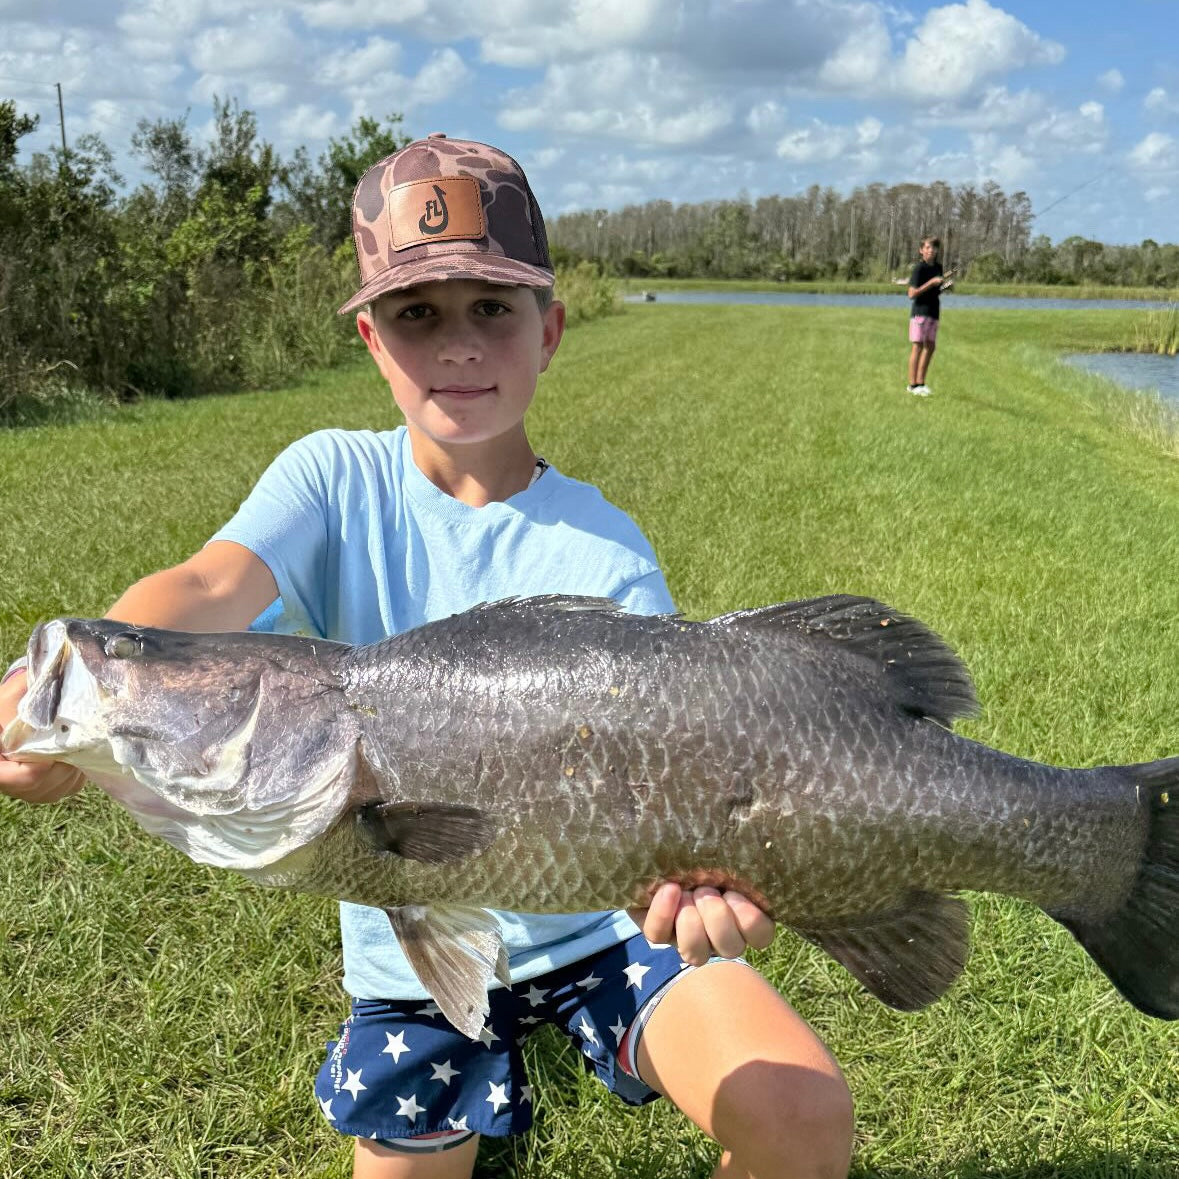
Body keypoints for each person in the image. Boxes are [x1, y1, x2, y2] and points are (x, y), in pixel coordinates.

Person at [0, 134, 854, 1179]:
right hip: (411, 961)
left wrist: (711, 891)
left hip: (603, 928)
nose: (458, 346)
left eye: (492, 309)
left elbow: (678, 762)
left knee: (803, 1118)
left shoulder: (605, 548)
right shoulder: (331, 482)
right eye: (419, 314)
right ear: (371, 338)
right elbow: (202, 592)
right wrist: (86, 685)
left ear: (549, 331)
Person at [906, 236, 953, 396]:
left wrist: (945, 286)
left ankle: (921, 383)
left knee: (931, 346)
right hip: (920, 312)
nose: (930, 250)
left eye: (933, 248)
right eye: (927, 247)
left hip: (934, 311)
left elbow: (936, 291)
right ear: (921, 250)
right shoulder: (919, 268)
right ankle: (912, 385)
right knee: (918, 346)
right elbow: (912, 293)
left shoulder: (938, 268)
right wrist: (931, 283)